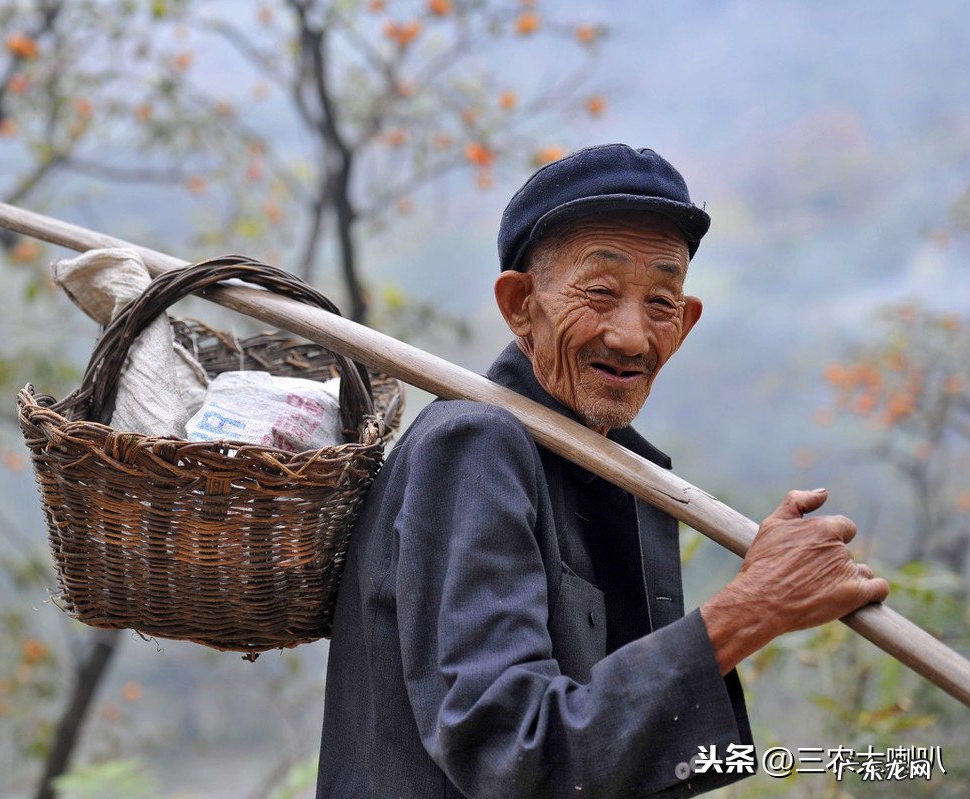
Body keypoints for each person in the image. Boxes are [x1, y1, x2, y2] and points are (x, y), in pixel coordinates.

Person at [315, 143, 890, 798]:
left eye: (660, 302)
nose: (630, 336)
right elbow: (512, 753)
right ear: (520, 305)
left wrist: (759, 602)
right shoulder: (475, 442)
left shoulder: (621, 470)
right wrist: (751, 609)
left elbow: (609, 761)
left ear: (688, 319)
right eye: (601, 291)